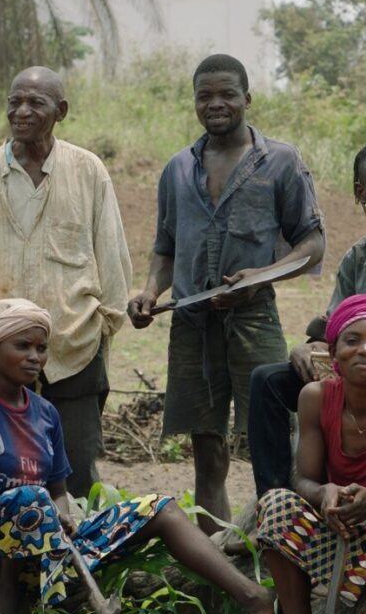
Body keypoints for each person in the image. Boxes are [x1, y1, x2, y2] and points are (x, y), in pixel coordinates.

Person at [0, 298, 275, 614]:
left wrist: (60, 516)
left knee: (161, 508)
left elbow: (58, 492)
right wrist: (27, 512)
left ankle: (254, 599)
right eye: (23, 346)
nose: (35, 357)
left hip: (50, 544)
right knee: (25, 503)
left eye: (41, 348)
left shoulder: (45, 413)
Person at [128, 53, 325, 534]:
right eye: (205, 96)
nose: (215, 104)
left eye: (226, 94)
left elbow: (312, 245)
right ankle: (215, 550)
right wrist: (150, 291)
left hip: (254, 317)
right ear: (195, 102)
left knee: (273, 439)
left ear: (247, 99)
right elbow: (166, 247)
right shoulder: (177, 168)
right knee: (206, 446)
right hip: (192, 326)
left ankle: (278, 546)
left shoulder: (279, 161)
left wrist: (259, 278)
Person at [0, 66, 132, 498]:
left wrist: (101, 330)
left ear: (61, 111)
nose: (22, 112)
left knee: (75, 472)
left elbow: (112, 262)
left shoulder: (88, 171)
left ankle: (79, 562)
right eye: (15, 102)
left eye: (36, 103)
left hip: (71, 349)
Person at [249, 146, 366, 498]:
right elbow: (337, 328)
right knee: (268, 381)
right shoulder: (358, 258)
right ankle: (274, 504)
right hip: (359, 370)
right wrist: (307, 347)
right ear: (361, 192)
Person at [258, 294, 366, 614]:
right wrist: (326, 492)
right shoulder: (316, 398)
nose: (363, 350)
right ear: (332, 352)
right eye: (352, 340)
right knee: (276, 504)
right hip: (340, 532)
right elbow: (303, 480)